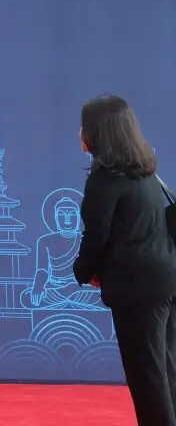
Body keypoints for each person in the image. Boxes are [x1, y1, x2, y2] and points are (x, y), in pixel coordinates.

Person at [72, 94, 176, 426]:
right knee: (165, 369)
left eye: (84, 125)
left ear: (99, 132)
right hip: (166, 280)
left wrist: (83, 271)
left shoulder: (105, 181)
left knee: (147, 377)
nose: (79, 132)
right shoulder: (147, 173)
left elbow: (96, 237)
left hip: (137, 290)